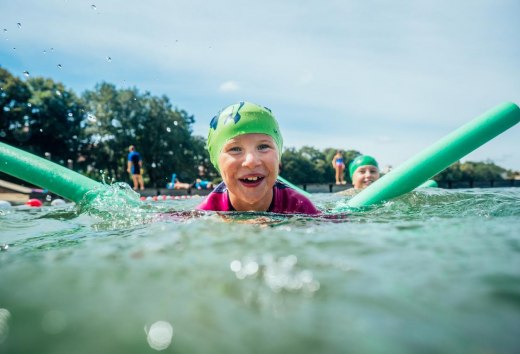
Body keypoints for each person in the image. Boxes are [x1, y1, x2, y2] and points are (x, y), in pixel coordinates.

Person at [196, 101, 320, 215]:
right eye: (235, 149)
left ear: (279, 156)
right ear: (216, 161)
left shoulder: (300, 207)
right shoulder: (206, 213)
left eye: (263, 146)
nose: (251, 161)